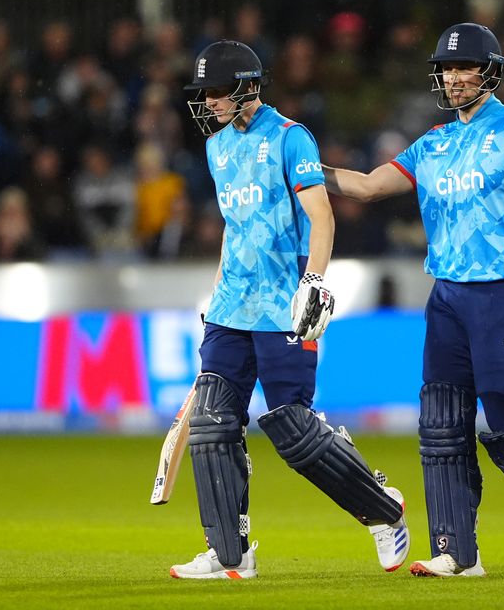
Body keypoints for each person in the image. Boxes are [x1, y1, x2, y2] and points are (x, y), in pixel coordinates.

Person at [322, 23, 504, 577]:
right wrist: (306, 172)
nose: (453, 77)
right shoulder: (433, 143)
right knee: (441, 425)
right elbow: (370, 187)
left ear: (489, 72)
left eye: (464, 67)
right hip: (446, 298)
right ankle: (455, 552)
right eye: (446, 69)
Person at [169, 40, 409, 579]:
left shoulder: (289, 137)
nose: (207, 103)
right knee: (211, 424)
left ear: (244, 87)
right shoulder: (216, 148)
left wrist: (316, 282)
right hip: (232, 307)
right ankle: (230, 555)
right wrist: (214, 297)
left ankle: (383, 509)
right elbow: (236, 231)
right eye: (202, 93)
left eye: (214, 92)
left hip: (283, 306)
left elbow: (322, 216)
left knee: (294, 430)